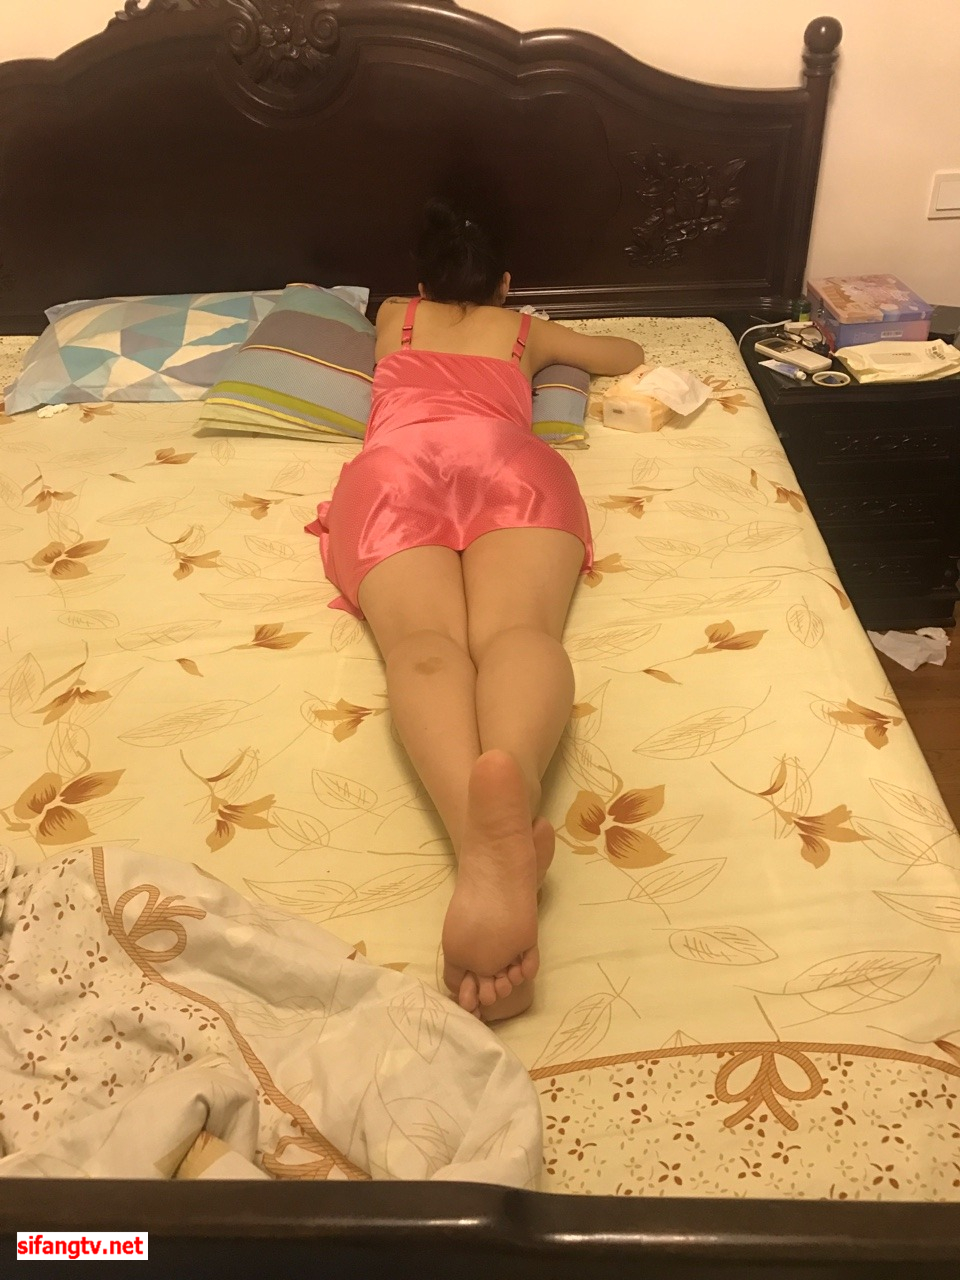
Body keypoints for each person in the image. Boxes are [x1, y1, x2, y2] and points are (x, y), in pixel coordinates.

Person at [308, 201, 644, 1021]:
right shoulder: (525, 331)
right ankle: (507, 811)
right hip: (508, 465)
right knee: (517, 633)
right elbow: (626, 353)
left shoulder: (394, 316)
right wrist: (552, 340)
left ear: (420, 285)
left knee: (423, 645)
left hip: (396, 470)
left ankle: (481, 846)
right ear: (505, 283)